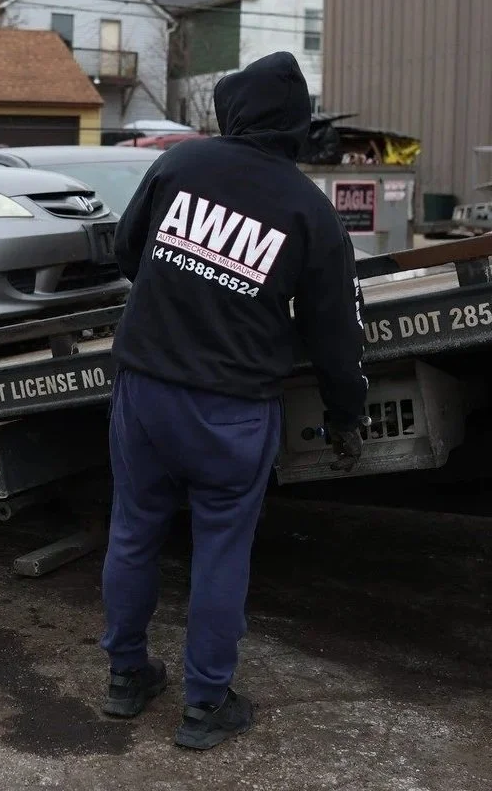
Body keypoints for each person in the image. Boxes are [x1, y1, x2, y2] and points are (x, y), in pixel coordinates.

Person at [99, 51, 367, 750]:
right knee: (221, 549)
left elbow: (129, 253)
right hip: (231, 407)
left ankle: (127, 677)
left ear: (233, 112)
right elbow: (334, 334)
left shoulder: (180, 167)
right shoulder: (311, 213)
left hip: (145, 385)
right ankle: (204, 705)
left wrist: (187, 281)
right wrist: (346, 412)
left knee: (133, 529)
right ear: (298, 128)